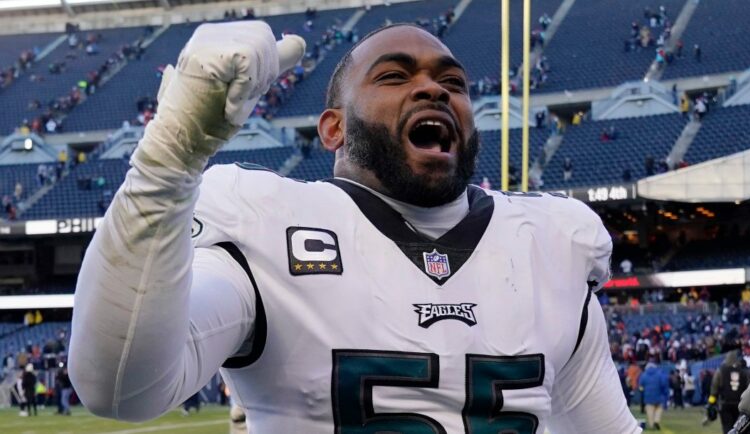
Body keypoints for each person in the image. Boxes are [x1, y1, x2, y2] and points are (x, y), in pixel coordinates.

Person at [69, 21, 640, 433]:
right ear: (333, 128)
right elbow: (121, 388)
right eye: (394, 76)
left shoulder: (549, 243)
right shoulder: (268, 221)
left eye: (454, 83)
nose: (434, 88)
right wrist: (169, 161)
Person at [708, 351, 750, 434]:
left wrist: (711, 404)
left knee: (727, 427)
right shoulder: (743, 370)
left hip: (725, 404)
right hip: (740, 405)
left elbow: (714, 389)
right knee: (740, 428)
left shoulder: (721, 370)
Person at [639, 356, 669, 430]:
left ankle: (652, 424)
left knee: (650, 411)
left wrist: (642, 391)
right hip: (659, 395)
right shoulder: (659, 374)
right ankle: (657, 420)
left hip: (648, 396)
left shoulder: (644, 375)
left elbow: (640, 385)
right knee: (659, 408)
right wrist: (665, 393)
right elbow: (663, 384)